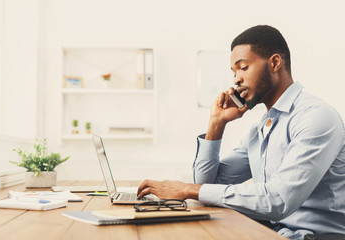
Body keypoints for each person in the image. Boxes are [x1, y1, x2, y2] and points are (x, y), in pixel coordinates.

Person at [137, 25, 345, 240]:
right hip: (270, 231)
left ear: (275, 63)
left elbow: (278, 200)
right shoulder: (260, 130)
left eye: (243, 68)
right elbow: (209, 184)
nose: (236, 79)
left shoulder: (316, 117)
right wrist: (216, 124)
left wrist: (188, 190)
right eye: (234, 72)